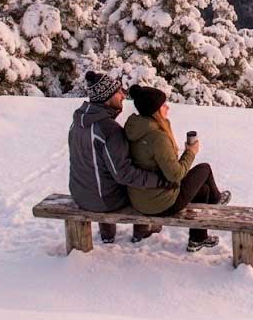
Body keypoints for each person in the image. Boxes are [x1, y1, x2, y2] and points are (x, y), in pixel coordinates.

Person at [68, 71, 175, 244]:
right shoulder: (109, 129)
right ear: (106, 98)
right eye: (118, 92)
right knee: (140, 190)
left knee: (101, 170)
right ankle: (143, 232)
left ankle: (107, 232)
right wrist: (160, 181)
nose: (123, 95)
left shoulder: (78, 121)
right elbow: (124, 174)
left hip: (80, 193)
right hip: (103, 200)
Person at [124, 84, 232, 252]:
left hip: (140, 198)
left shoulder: (135, 129)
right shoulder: (157, 137)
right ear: (155, 111)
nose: (167, 107)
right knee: (204, 168)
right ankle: (217, 200)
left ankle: (197, 239)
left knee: (202, 190)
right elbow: (175, 175)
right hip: (161, 203)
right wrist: (190, 152)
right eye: (163, 105)